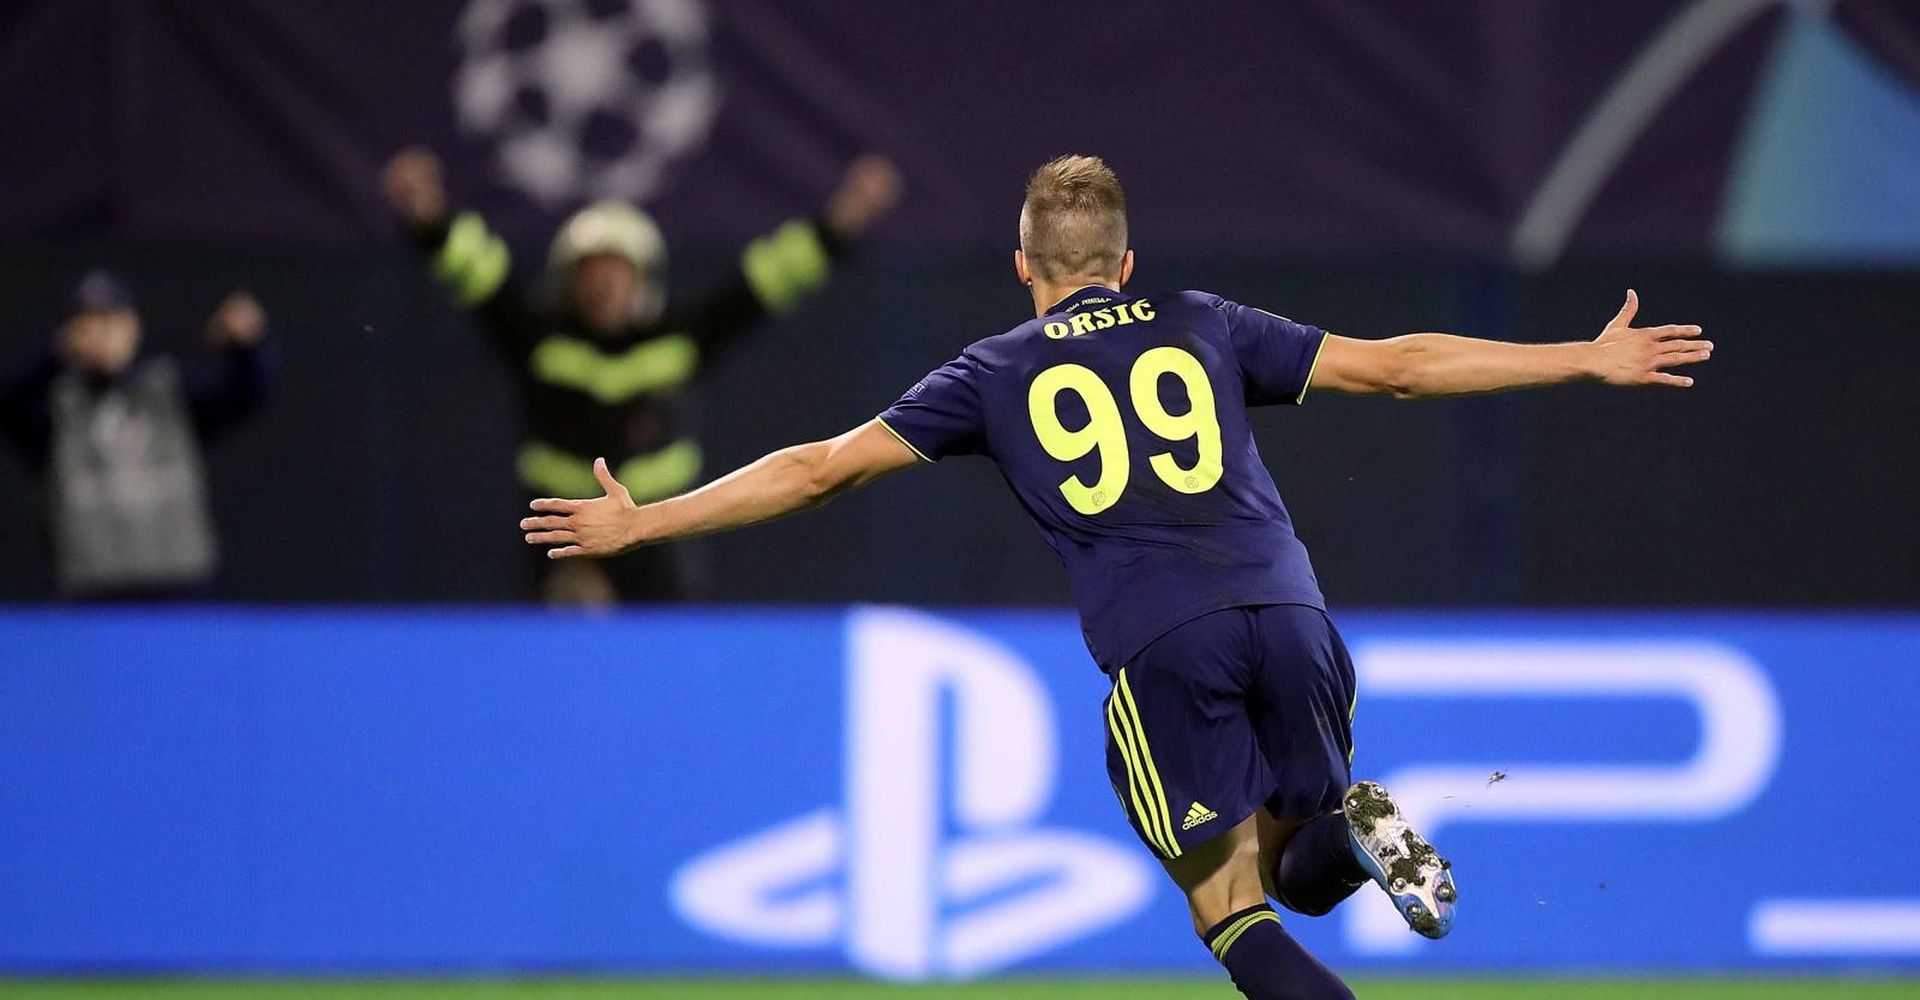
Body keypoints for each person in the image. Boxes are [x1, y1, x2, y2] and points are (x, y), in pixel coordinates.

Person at [516, 156, 1713, 998]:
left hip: (1166, 638)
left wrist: (647, 521)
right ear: (1126, 261)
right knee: (1301, 872)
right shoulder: (1201, 319)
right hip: (1295, 614)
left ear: (1024, 266)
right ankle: (1352, 831)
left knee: (1226, 905)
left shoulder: (991, 370)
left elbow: (822, 469)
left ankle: (1350, 839)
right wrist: (1581, 357)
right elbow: (1398, 367)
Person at [382, 146, 901, 605]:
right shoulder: (537, 339)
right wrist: (428, 215)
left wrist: (844, 217)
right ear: (569, 279)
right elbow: (477, 272)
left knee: (665, 677)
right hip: (559, 540)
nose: (605, 284)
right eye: (592, 270)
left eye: (618, 270)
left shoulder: (679, 339)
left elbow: (767, 281)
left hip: (660, 542)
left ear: (642, 278)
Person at [0, 271, 272, 600]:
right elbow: (8, 406)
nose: (103, 334)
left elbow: (246, 395)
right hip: (95, 596)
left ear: (134, 326)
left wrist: (246, 350)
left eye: (114, 321)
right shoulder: (57, 409)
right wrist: (55, 355)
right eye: (91, 323)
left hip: (181, 589)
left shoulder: (167, 393)